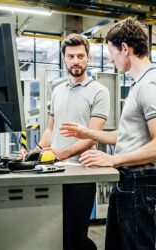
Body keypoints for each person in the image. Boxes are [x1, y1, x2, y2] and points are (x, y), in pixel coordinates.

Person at [60, 17, 156, 250]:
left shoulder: (150, 85)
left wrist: (113, 159)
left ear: (125, 48)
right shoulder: (139, 84)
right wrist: (89, 133)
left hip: (138, 182)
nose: (111, 60)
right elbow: (127, 136)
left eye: (112, 53)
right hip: (128, 181)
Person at [33, 34, 110, 250]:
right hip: (54, 172)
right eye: (70, 56)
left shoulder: (100, 92)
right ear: (63, 58)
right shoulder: (57, 90)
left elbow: (92, 135)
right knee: (57, 234)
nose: (75, 60)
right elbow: (50, 129)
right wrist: (34, 151)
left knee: (76, 236)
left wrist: (60, 154)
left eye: (80, 56)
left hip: (81, 173)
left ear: (88, 58)